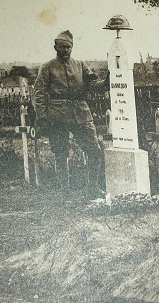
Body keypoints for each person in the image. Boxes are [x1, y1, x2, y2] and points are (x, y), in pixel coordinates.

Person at [33, 30, 106, 193]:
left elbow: (93, 84)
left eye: (69, 47)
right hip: (57, 116)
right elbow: (39, 93)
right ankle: (64, 189)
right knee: (61, 152)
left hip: (81, 113)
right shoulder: (47, 67)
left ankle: (92, 187)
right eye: (62, 47)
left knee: (94, 151)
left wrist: (107, 82)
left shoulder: (80, 65)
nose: (66, 50)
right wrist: (42, 117)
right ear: (55, 47)